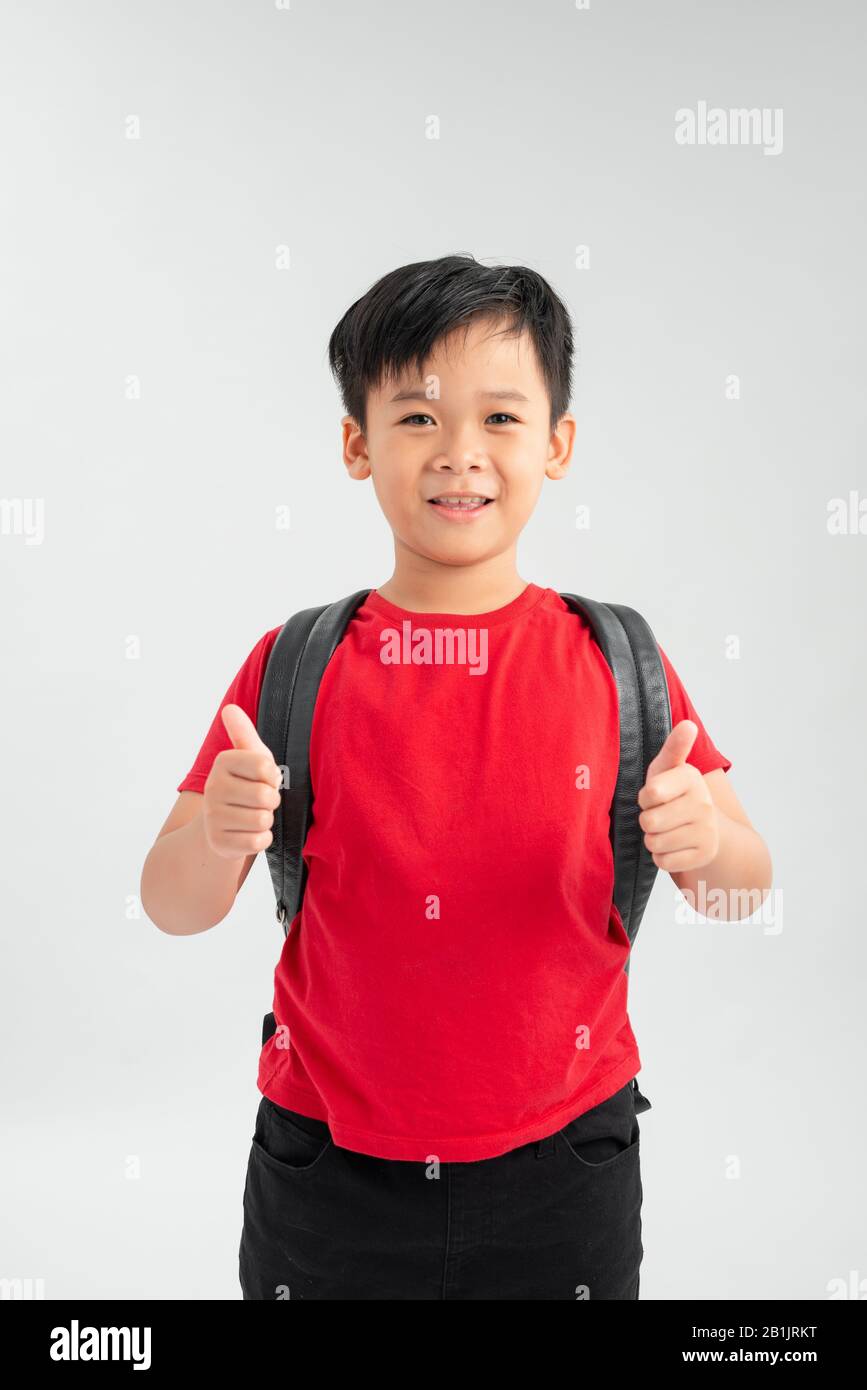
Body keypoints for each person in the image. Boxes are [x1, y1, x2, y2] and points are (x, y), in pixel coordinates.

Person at [140, 254, 772, 1300]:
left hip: (568, 1167)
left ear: (559, 444)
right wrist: (217, 838)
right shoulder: (294, 664)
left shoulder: (622, 664)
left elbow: (743, 883)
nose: (460, 455)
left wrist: (707, 841)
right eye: (419, 418)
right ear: (358, 443)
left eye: (502, 420)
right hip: (326, 1171)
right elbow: (170, 903)